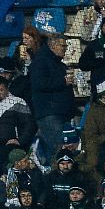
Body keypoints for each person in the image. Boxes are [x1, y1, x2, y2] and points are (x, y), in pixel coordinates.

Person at [28, 31, 76, 163]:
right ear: (53, 45)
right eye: (63, 46)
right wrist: (63, 81)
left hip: (60, 114)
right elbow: (38, 84)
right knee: (57, 152)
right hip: (50, 114)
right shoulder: (41, 61)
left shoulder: (58, 64)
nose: (65, 49)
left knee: (63, 151)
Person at [0, 77, 36, 149]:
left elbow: (29, 123)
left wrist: (20, 140)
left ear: (7, 90)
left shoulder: (17, 102)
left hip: (13, 145)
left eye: (0, 90)